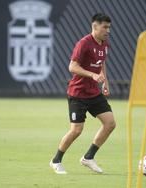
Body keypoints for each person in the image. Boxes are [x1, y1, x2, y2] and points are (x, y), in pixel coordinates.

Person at [50, 13, 116, 174]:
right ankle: (56, 160)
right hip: (77, 93)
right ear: (95, 26)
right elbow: (72, 67)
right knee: (76, 130)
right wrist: (92, 75)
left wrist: (105, 83)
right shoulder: (84, 43)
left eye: (109, 27)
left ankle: (88, 157)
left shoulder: (105, 44)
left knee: (110, 123)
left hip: (93, 92)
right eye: (105, 27)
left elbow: (102, 63)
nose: (108, 30)